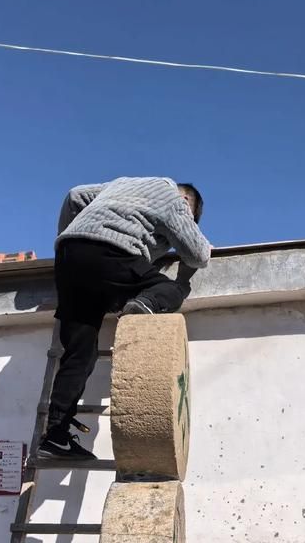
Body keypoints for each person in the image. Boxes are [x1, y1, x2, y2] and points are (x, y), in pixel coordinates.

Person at [38, 177, 211, 461]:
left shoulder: (124, 184)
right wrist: (194, 237)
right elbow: (198, 255)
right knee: (169, 289)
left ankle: (55, 435)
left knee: (80, 353)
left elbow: (74, 195)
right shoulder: (172, 198)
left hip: (69, 259)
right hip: (112, 253)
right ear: (186, 203)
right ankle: (142, 304)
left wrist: (70, 237)